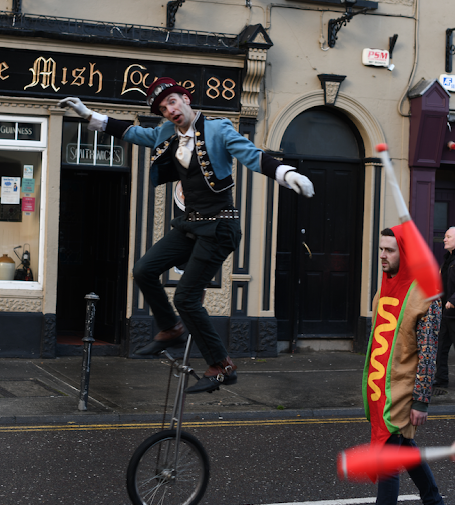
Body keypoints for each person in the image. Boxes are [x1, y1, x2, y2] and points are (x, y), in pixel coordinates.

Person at [59, 78, 314, 393]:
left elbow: (251, 155)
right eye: (164, 108)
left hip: (220, 227)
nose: (170, 110)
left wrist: (287, 174)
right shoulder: (167, 133)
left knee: (186, 298)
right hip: (191, 224)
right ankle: (171, 328)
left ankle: (222, 365)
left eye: (172, 102)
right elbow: (134, 133)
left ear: (185, 99)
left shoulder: (218, 129)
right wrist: (89, 115)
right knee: (143, 270)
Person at [346, 226, 448, 505]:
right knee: (404, 447)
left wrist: (421, 399)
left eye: (389, 250)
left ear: (406, 254)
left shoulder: (426, 294)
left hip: (402, 392)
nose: (382, 255)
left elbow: (429, 351)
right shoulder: (389, 284)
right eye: (381, 249)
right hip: (382, 388)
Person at [434, 226, 455, 393]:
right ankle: (441, 380)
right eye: (444, 236)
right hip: (445, 312)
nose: (444, 239)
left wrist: (453, 300)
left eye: (448, 237)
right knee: (440, 347)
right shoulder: (450, 257)